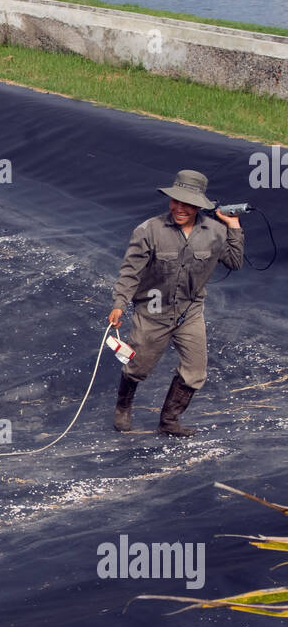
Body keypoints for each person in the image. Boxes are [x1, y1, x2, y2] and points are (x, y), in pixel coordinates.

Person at [109, 170, 243, 437]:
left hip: (189, 312)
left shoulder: (215, 231)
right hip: (152, 310)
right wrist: (119, 304)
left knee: (195, 371)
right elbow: (130, 272)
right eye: (176, 201)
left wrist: (234, 226)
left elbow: (234, 262)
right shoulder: (149, 230)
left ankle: (169, 421)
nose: (180, 208)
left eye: (188, 204)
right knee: (138, 365)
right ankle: (122, 408)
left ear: (199, 205)